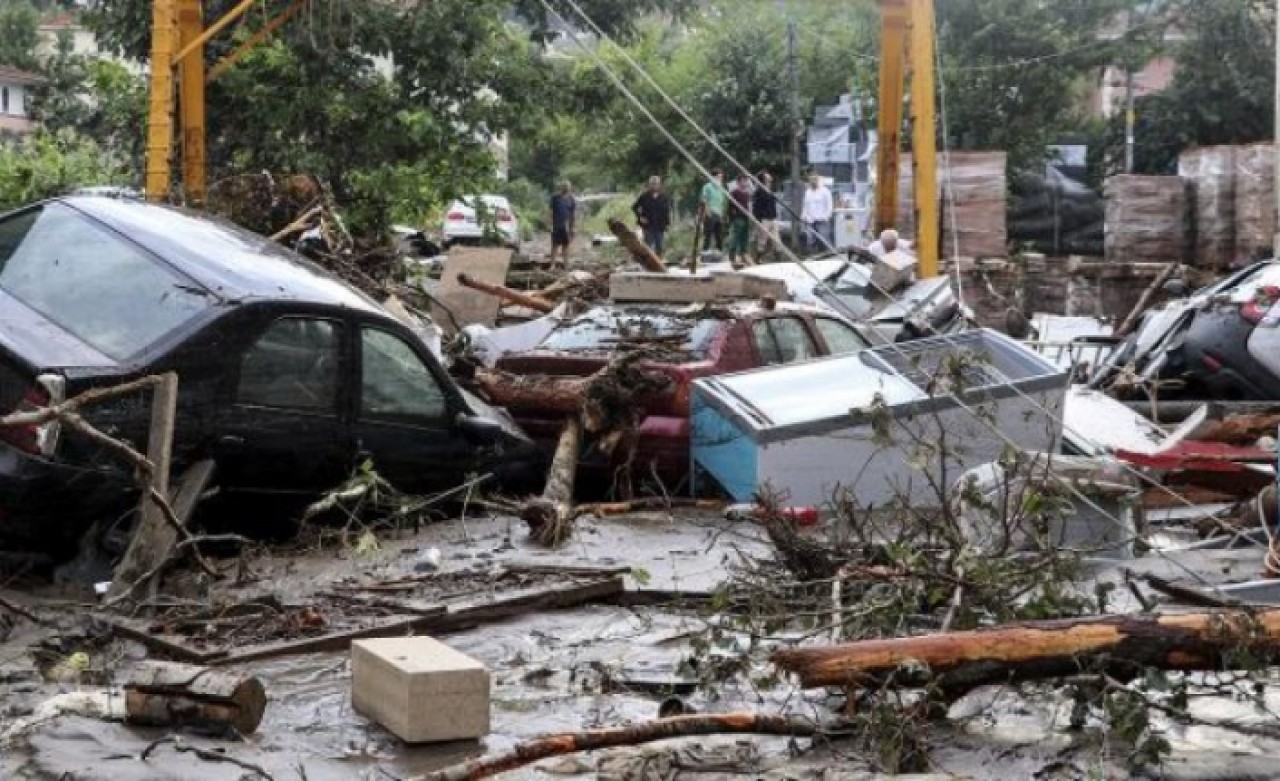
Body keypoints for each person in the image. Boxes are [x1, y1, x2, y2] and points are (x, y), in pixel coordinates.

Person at [631, 176, 671, 257]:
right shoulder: (644, 196)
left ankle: (659, 263)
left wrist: (667, 224)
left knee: (659, 246)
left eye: (656, 184)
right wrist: (640, 217)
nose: (654, 186)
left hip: (660, 225)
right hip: (648, 225)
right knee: (648, 246)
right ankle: (648, 263)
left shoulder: (664, 197)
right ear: (649, 185)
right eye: (652, 184)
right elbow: (634, 207)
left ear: (659, 185)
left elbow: (666, 211)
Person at [800, 174, 833, 254]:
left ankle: (825, 255)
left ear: (817, 181)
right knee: (810, 239)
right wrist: (803, 215)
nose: (812, 183)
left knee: (823, 240)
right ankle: (811, 255)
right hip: (810, 220)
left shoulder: (825, 191)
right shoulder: (808, 192)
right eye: (811, 181)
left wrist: (826, 216)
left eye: (814, 181)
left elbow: (829, 205)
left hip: (822, 220)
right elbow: (805, 205)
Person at [751, 171, 779, 262]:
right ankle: (758, 259)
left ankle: (777, 258)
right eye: (767, 178)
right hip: (764, 219)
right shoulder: (758, 192)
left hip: (773, 218)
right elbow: (755, 208)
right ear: (763, 180)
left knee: (776, 240)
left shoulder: (770, 190)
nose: (770, 179)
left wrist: (775, 215)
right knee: (762, 240)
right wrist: (758, 221)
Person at [725, 173, 753, 264]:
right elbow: (730, 207)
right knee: (736, 237)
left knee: (744, 237)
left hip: (746, 217)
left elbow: (748, 205)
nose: (745, 183)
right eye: (743, 180)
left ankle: (743, 255)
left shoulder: (747, 193)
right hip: (738, 218)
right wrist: (732, 217)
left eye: (746, 181)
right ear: (739, 182)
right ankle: (732, 256)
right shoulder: (734, 192)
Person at [548, 181, 576, 267]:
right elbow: (550, 212)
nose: (566, 188)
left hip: (566, 226)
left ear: (570, 188)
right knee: (555, 245)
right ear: (561, 188)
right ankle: (552, 265)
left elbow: (572, 215)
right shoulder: (555, 198)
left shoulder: (571, 199)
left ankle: (566, 265)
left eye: (568, 187)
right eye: (564, 186)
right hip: (556, 224)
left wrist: (573, 228)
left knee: (566, 245)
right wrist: (549, 225)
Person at [699, 168, 728, 251]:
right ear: (713, 177)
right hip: (710, 213)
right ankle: (705, 252)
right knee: (708, 235)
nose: (720, 179)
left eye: (721, 177)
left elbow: (722, 202)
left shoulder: (721, 188)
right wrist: (706, 212)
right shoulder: (707, 187)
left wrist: (722, 214)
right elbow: (704, 200)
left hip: (719, 214)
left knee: (719, 236)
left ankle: (720, 251)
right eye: (718, 177)